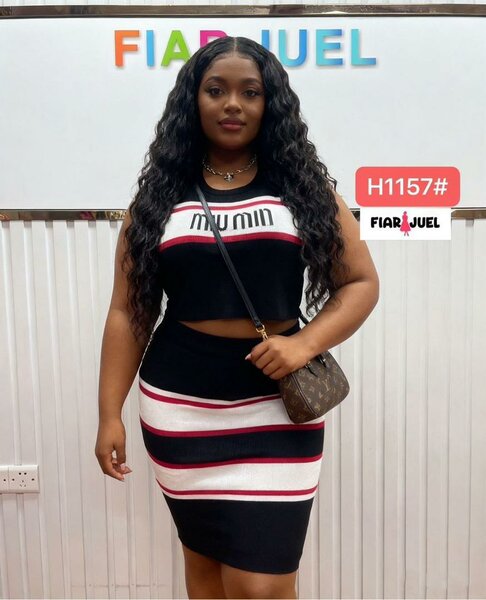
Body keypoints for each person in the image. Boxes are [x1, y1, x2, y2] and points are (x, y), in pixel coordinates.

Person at [95, 36, 379, 600]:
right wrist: (109, 414)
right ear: (193, 101)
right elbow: (129, 312)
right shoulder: (158, 200)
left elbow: (360, 283)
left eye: (250, 92)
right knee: (206, 570)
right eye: (215, 90)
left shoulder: (306, 191)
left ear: (270, 103)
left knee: (261, 585)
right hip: (180, 404)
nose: (232, 104)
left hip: (277, 403)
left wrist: (303, 344)